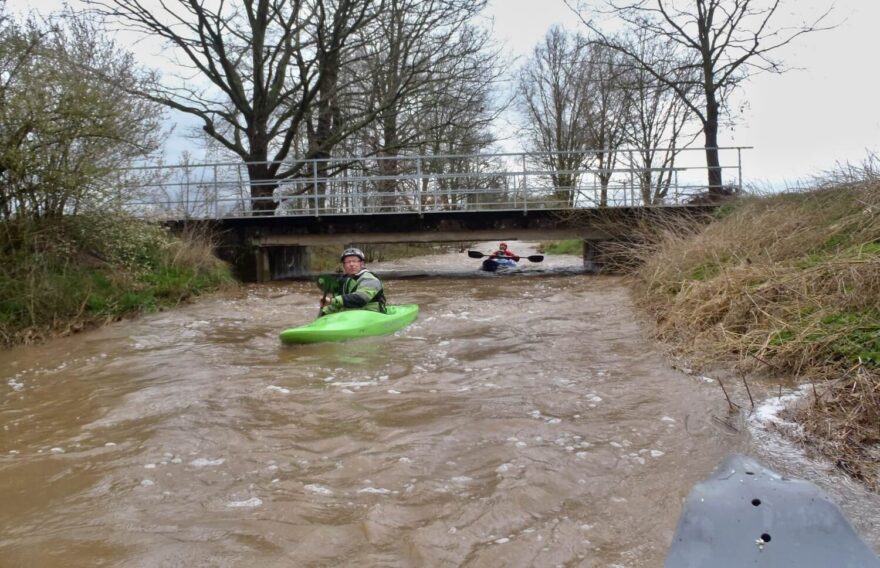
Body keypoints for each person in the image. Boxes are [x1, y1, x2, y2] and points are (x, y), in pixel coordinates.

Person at [320, 247, 386, 315]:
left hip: (370, 314)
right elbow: (337, 305)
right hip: (350, 315)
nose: (351, 264)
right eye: (348, 262)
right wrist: (324, 312)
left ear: (362, 264)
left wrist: (332, 301)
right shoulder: (342, 281)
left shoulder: (370, 279)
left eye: (354, 261)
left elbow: (360, 299)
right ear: (344, 265)